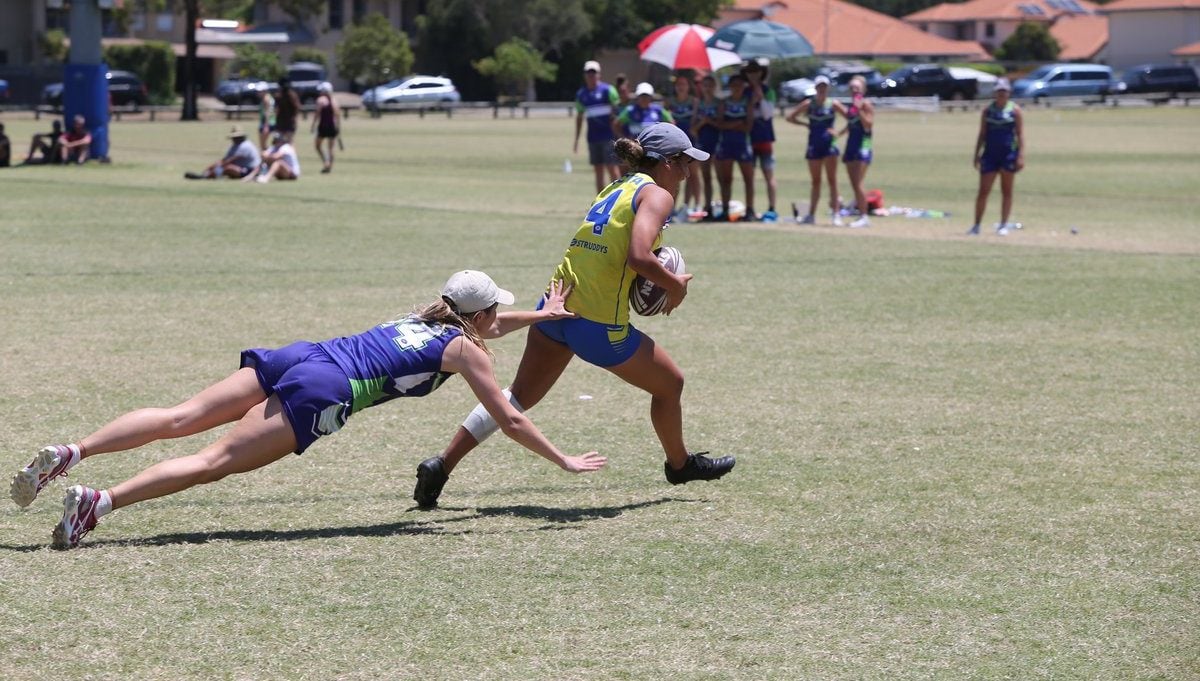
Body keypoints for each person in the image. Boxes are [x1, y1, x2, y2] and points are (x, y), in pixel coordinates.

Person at [10, 273, 605, 550]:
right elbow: (511, 417)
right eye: (493, 314)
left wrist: (542, 316)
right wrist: (562, 461)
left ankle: (73, 452)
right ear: (476, 319)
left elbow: (489, 324)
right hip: (327, 388)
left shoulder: (427, 317)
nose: (497, 322)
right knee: (213, 459)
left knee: (179, 416)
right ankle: (97, 503)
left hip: (306, 353)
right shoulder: (466, 352)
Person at [410, 123, 735, 509]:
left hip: (556, 305)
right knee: (671, 384)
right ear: (666, 162)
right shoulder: (657, 195)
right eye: (684, 164)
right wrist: (674, 285)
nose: (687, 173)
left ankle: (442, 465)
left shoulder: (616, 187)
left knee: (515, 397)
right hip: (597, 322)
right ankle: (680, 465)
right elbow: (639, 256)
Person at [968, 78, 1024, 236]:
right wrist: (976, 154)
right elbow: (982, 133)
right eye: (999, 91)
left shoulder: (1015, 110)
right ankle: (976, 225)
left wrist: (1020, 155)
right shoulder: (988, 111)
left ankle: (1003, 225)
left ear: (1009, 92)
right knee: (983, 191)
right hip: (990, 154)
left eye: (1004, 91)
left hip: (1008, 154)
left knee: (1007, 191)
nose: (1001, 94)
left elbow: (1020, 134)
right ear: (995, 92)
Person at [787, 76, 845, 225]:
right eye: (819, 86)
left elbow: (851, 118)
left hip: (829, 145)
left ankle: (836, 214)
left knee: (832, 181)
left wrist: (838, 133)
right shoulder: (809, 104)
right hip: (814, 144)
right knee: (816, 181)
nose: (822, 89)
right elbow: (790, 117)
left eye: (824, 86)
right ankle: (811, 215)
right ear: (816, 88)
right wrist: (804, 125)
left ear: (828, 88)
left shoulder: (833, 104)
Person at [573, 60, 621, 194]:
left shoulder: (608, 90)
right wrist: (576, 140)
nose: (591, 76)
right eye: (589, 73)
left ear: (599, 74)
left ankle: (618, 198)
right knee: (598, 171)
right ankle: (601, 203)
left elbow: (617, 111)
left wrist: (617, 134)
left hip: (609, 137)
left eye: (593, 73)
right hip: (593, 137)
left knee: (612, 168)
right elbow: (579, 117)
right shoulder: (581, 94)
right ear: (585, 75)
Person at [742, 59, 780, 222]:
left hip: (764, 138)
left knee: (768, 174)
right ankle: (750, 208)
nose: (753, 75)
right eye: (750, 72)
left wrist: (761, 98)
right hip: (749, 138)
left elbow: (767, 114)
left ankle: (772, 208)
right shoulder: (744, 92)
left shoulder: (768, 91)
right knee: (749, 177)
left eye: (756, 71)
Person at [714, 74, 756, 222]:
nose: (737, 88)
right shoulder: (724, 103)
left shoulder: (747, 102)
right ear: (730, 87)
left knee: (748, 179)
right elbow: (719, 124)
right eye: (734, 85)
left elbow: (748, 126)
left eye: (740, 85)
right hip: (726, 144)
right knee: (726, 179)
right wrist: (736, 123)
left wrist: (731, 124)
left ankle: (750, 210)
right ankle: (725, 210)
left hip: (743, 145)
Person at [838, 75, 875, 229]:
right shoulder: (851, 107)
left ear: (863, 89)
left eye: (857, 88)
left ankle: (864, 216)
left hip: (863, 145)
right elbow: (851, 125)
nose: (854, 90)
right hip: (851, 144)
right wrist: (838, 134)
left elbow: (868, 125)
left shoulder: (865, 104)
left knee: (858, 181)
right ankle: (859, 212)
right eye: (852, 88)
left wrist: (860, 109)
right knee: (854, 182)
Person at [666, 73, 702, 220]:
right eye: (678, 84)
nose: (681, 87)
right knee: (676, 175)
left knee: (693, 174)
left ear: (688, 87)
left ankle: (694, 205)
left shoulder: (694, 102)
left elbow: (696, 122)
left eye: (684, 84)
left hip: (691, 142)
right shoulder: (669, 102)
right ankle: (672, 207)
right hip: (674, 143)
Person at [691, 74, 721, 221]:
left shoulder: (719, 103)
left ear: (715, 87)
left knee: (721, 177)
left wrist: (712, 122)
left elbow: (722, 125)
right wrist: (703, 122)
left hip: (718, 143)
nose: (708, 89)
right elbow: (693, 129)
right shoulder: (699, 103)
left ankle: (724, 207)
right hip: (703, 144)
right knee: (706, 177)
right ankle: (708, 206)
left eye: (710, 85)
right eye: (705, 85)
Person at [184, 126, 262, 180]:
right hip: (240, 168)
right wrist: (212, 167)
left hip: (250, 170)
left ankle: (206, 177)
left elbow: (229, 161)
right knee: (219, 163)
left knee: (227, 168)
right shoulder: (235, 145)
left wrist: (217, 168)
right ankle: (203, 174)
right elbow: (224, 160)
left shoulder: (245, 146)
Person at [311, 82, 341, 173]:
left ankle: (326, 162)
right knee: (331, 148)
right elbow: (338, 116)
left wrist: (313, 125)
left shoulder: (320, 100)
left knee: (317, 146)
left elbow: (317, 114)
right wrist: (338, 128)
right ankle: (329, 166)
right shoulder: (334, 101)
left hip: (323, 126)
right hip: (332, 127)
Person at [274, 77, 301, 143]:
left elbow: (276, 110)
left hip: (284, 122)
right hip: (287, 122)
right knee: (287, 141)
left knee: (284, 142)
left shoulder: (280, 96)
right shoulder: (292, 95)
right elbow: (297, 108)